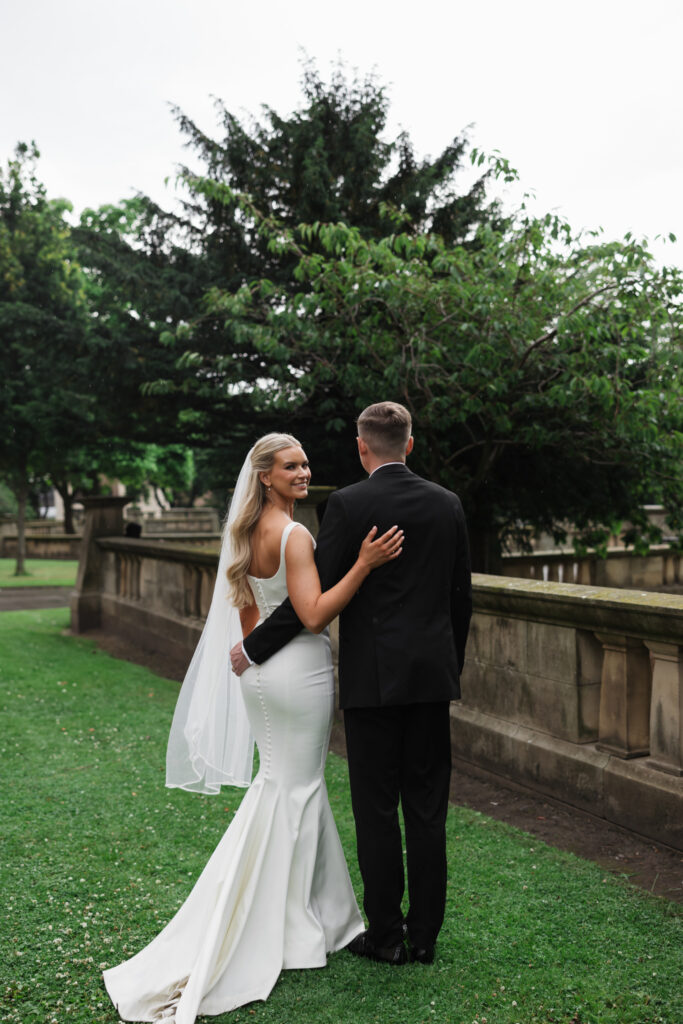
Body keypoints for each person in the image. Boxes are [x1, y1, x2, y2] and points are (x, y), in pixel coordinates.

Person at [102, 433, 403, 1023]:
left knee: (283, 787)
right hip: (296, 672)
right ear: (265, 475)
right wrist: (364, 565)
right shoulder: (293, 535)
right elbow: (312, 615)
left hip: (260, 672)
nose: (303, 471)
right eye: (291, 465)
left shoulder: (243, 532)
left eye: (306, 463)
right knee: (297, 787)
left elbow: (247, 616)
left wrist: (251, 657)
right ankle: (293, 926)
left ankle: (306, 914)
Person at [232, 402, 472, 966]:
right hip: (432, 681)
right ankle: (425, 938)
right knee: (428, 810)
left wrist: (253, 647)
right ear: (409, 444)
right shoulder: (448, 505)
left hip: (372, 683)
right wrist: (447, 667)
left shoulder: (348, 504)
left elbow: (306, 602)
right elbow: (462, 600)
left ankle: (385, 935)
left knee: (376, 809)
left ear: (363, 448)